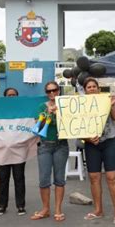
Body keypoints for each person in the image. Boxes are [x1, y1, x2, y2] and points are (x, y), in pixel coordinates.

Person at [82, 77, 115, 225]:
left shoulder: (107, 100)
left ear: (98, 89)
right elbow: (75, 127)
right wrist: (87, 139)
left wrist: (112, 105)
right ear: (85, 90)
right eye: (89, 87)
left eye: (94, 86)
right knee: (94, 177)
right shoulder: (80, 105)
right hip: (91, 144)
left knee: (112, 177)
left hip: (110, 141)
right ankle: (98, 210)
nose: (92, 89)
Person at [31, 82, 69, 222]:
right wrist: (48, 112)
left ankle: (58, 209)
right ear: (46, 93)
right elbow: (37, 126)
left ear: (59, 90)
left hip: (61, 145)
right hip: (45, 145)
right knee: (44, 179)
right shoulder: (42, 106)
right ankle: (45, 209)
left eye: (54, 90)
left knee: (59, 179)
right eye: (49, 91)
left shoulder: (66, 105)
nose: (52, 93)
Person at [0, 88, 27, 216]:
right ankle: (2, 206)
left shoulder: (23, 110)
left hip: (19, 150)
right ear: (5, 97)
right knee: (3, 179)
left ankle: (20, 205)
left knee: (19, 178)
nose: (12, 97)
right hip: (3, 151)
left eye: (14, 95)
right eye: (9, 95)